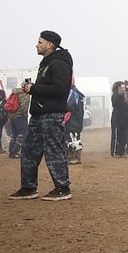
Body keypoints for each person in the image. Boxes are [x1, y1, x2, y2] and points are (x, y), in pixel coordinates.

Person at [8, 30, 73, 201]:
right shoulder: (46, 63)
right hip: (38, 114)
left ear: (50, 45)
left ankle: (62, 188)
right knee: (29, 151)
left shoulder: (59, 64)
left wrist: (34, 89)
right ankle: (28, 187)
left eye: (40, 42)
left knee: (54, 151)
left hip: (52, 114)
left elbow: (60, 89)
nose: (36, 45)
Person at [6, 85, 30, 159]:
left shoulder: (15, 92)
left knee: (14, 134)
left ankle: (11, 151)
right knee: (21, 134)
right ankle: (15, 151)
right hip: (20, 117)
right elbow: (24, 107)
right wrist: (25, 115)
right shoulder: (24, 94)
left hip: (12, 116)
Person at [65, 80, 85, 164]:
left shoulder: (72, 92)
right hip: (75, 120)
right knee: (71, 138)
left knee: (73, 138)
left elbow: (69, 105)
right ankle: (71, 156)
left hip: (73, 121)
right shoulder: (76, 93)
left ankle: (76, 157)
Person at [110, 81, 128, 158]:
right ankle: (115, 152)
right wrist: (121, 94)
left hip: (124, 119)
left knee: (123, 136)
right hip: (116, 119)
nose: (123, 89)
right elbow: (115, 102)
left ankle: (121, 151)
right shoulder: (115, 96)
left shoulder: (124, 97)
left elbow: (126, 107)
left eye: (124, 88)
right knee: (116, 136)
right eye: (121, 88)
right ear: (117, 88)